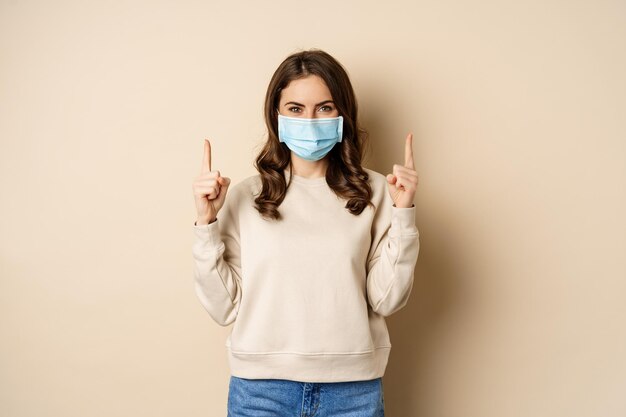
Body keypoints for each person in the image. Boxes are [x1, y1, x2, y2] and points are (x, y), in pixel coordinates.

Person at [191, 49, 420, 417]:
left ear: (342, 114)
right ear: (277, 115)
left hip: (353, 394)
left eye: (325, 108)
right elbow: (223, 307)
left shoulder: (378, 192)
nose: (310, 120)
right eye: (296, 109)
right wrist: (206, 222)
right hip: (260, 393)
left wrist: (404, 213)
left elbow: (387, 300)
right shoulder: (246, 196)